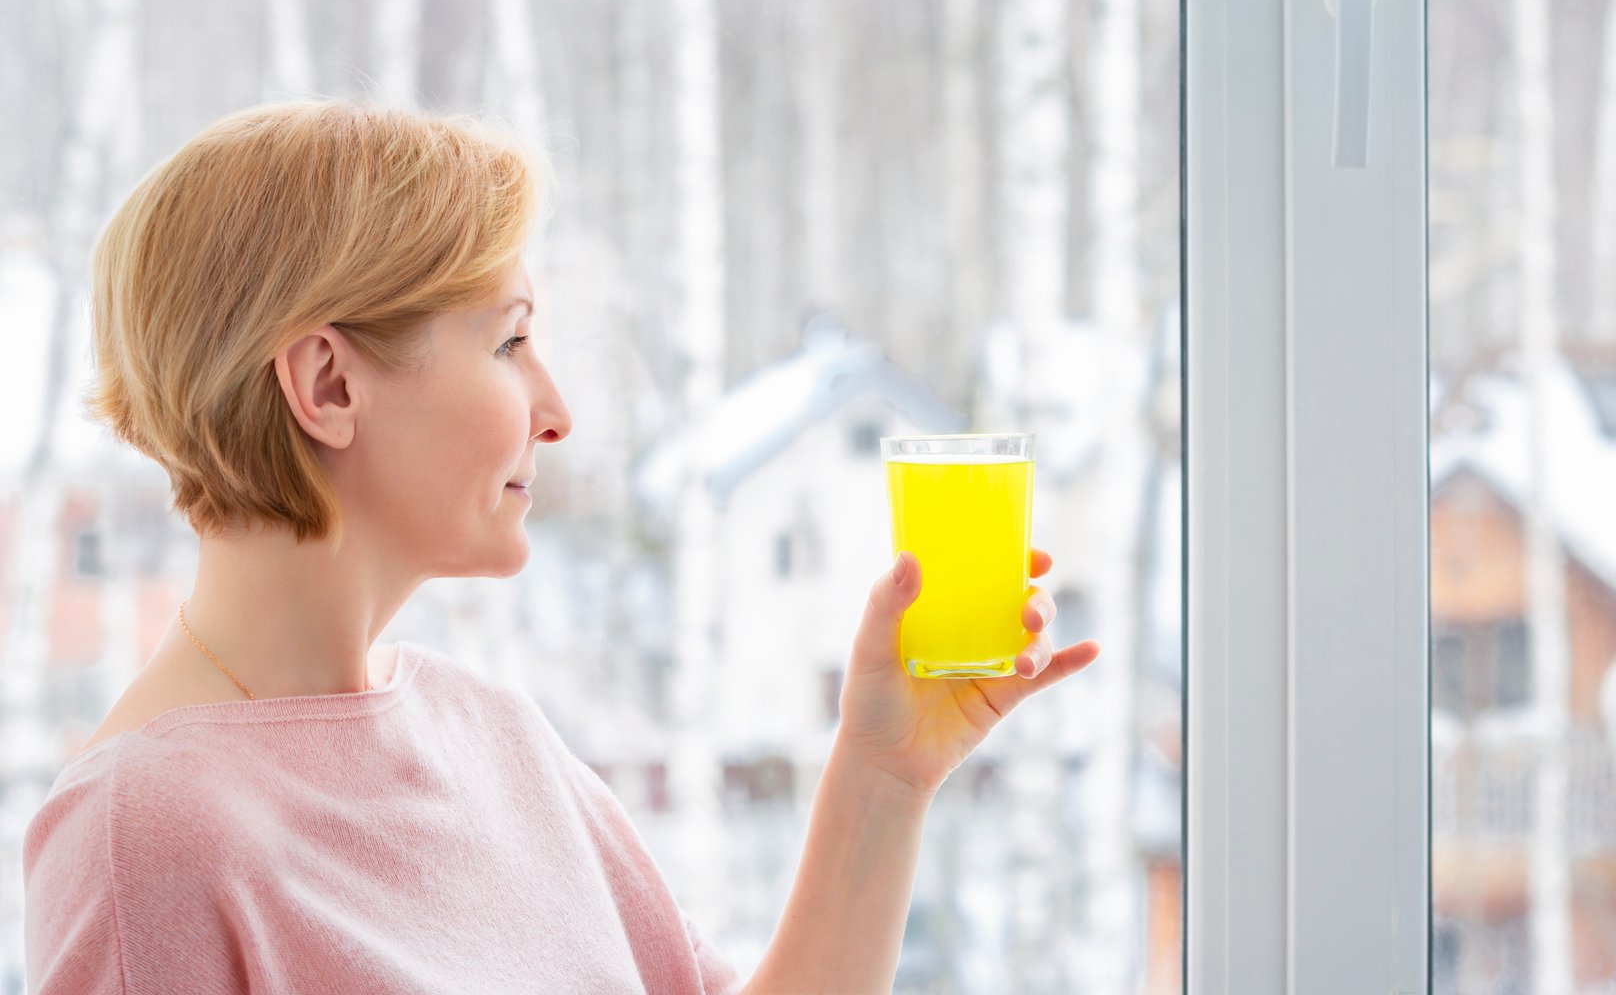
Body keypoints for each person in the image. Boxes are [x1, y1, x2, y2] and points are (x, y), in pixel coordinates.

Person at [21, 99, 1099, 994]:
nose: (556, 410)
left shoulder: (496, 736)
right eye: (511, 340)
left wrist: (883, 774)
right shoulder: (142, 837)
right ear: (327, 386)